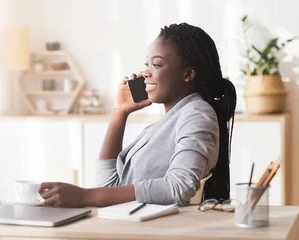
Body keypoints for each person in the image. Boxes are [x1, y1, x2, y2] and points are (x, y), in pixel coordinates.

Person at [38, 23, 236, 207]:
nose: (146, 73)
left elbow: (179, 187)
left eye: (156, 65)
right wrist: (119, 113)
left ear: (188, 74)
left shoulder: (196, 115)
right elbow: (110, 187)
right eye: (147, 65)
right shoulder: (171, 120)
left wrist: (85, 196)